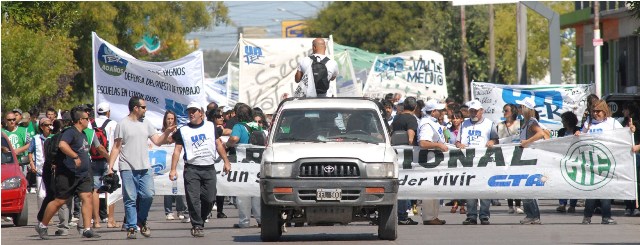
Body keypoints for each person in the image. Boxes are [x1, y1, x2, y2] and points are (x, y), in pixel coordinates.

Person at [106, 96, 175, 239]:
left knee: (148, 195)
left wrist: (167, 132)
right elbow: (116, 147)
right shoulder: (122, 124)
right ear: (135, 108)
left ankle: (141, 220)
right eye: (143, 107)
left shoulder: (146, 123)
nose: (146, 109)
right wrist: (110, 166)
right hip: (127, 167)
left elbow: (157, 141)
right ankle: (132, 227)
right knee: (130, 198)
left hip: (145, 167)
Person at [36, 106, 101, 239]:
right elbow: (62, 145)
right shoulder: (70, 132)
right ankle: (42, 225)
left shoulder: (82, 134)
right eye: (87, 119)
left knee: (87, 197)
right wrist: (75, 156)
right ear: (80, 120)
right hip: (68, 174)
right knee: (59, 201)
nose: (89, 121)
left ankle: (87, 229)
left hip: (82, 175)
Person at [169, 102, 231, 237]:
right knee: (193, 198)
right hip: (192, 169)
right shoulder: (183, 130)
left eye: (194, 111)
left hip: (208, 167)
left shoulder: (210, 127)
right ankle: (197, 225)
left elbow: (219, 144)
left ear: (201, 113)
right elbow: (177, 150)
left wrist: (226, 161)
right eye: (189, 111)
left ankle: (201, 219)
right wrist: (173, 169)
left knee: (209, 199)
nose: (191, 113)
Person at [576, 99, 635, 225]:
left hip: (606, 160)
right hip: (591, 162)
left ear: (605, 111)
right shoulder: (589, 123)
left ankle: (606, 216)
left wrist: (630, 129)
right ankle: (587, 216)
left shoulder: (612, 122)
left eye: (599, 111)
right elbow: (581, 136)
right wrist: (578, 133)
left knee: (606, 189)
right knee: (592, 190)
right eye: (594, 111)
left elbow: (624, 134)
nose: (596, 114)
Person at [455, 100, 499, 225]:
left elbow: (496, 140)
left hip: (484, 162)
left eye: (476, 111)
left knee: (485, 189)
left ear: (481, 111)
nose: (473, 113)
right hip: (468, 162)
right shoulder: (464, 125)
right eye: (471, 111)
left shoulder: (489, 124)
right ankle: (471, 216)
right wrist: (459, 144)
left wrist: (492, 142)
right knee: (470, 189)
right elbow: (457, 142)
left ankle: (484, 215)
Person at [226, 104, 261, 228]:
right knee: (257, 192)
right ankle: (261, 219)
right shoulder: (256, 126)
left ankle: (244, 221)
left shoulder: (238, 126)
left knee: (243, 193)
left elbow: (234, 138)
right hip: (256, 163)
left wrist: (227, 144)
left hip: (243, 163)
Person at [515, 97, 547, 225]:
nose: (518, 109)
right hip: (525, 158)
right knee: (525, 187)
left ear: (525, 108)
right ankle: (531, 214)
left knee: (527, 187)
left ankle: (533, 215)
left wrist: (527, 142)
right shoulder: (526, 122)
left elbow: (541, 134)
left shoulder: (532, 122)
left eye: (520, 107)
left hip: (530, 158)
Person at [417, 99, 449, 225]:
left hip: (435, 160)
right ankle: (429, 217)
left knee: (435, 189)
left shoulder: (432, 122)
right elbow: (423, 142)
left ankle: (433, 216)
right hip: (429, 161)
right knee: (430, 189)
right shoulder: (426, 124)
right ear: (434, 111)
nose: (441, 112)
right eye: (439, 110)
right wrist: (439, 145)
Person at [390, 97, 419, 225]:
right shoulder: (412, 119)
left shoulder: (397, 118)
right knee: (405, 184)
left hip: (395, 154)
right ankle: (402, 215)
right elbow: (411, 137)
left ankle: (399, 214)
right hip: (406, 156)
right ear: (415, 107)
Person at [94, 102, 121, 228]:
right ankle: (110, 220)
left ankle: (97, 221)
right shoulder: (114, 124)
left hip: (93, 160)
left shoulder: (90, 123)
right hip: (109, 159)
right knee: (110, 189)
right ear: (108, 112)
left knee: (95, 190)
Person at [496, 103, 523, 214]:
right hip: (504, 155)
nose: (504, 113)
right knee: (507, 179)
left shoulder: (520, 124)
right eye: (503, 110)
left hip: (517, 154)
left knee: (517, 179)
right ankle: (510, 205)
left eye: (506, 110)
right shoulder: (499, 125)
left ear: (513, 112)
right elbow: (496, 139)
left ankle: (518, 204)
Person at [161, 110, 188, 221]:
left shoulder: (180, 132)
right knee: (167, 188)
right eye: (168, 119)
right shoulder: (161, 132)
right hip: (166, 163)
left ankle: (180, 210)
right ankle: (168, 211)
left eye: (172, 119)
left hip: (179, 162)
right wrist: (167, 133)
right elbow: (161, 142)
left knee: (179, 187)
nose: (170, 121)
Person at [556, 111, 580, 213]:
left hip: (576, 158)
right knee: (562, 181)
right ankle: (562, 203)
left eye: (564, 120)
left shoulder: (578, 130)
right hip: (564, 157)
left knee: (574, 181)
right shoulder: (561, 131)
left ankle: (573, 205)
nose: (562, 122)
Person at [28, 118, 53, 209]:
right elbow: (30, 151)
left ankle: (48, 215)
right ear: (41, 127)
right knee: (41, 195)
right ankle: (41, 215)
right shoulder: (36, 138)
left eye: (50, 125)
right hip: (40, 170)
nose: (49, 127)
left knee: (51, 193)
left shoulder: (54, 137)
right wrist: (32, 163)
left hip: (52, 170)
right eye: (46, 125)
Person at [620, 102, 640, 216]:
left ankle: (636, 206)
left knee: (636, 181)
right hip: (625, 155)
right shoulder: (623, 123)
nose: (623, 112)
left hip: (636, 154)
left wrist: (638, 146)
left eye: (625, 109)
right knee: (626, 181)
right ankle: (628, 205)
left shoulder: (637, 123)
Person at [446, 110, 466, 215]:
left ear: (461, 119)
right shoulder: (448, 130)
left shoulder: (465, 130)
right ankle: (455, 202)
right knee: (454, 181)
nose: (455, 120)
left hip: (463, 158)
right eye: (453, 118)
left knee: (463, 181)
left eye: (457, 118)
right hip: (452, 158)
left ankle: (462, 204)